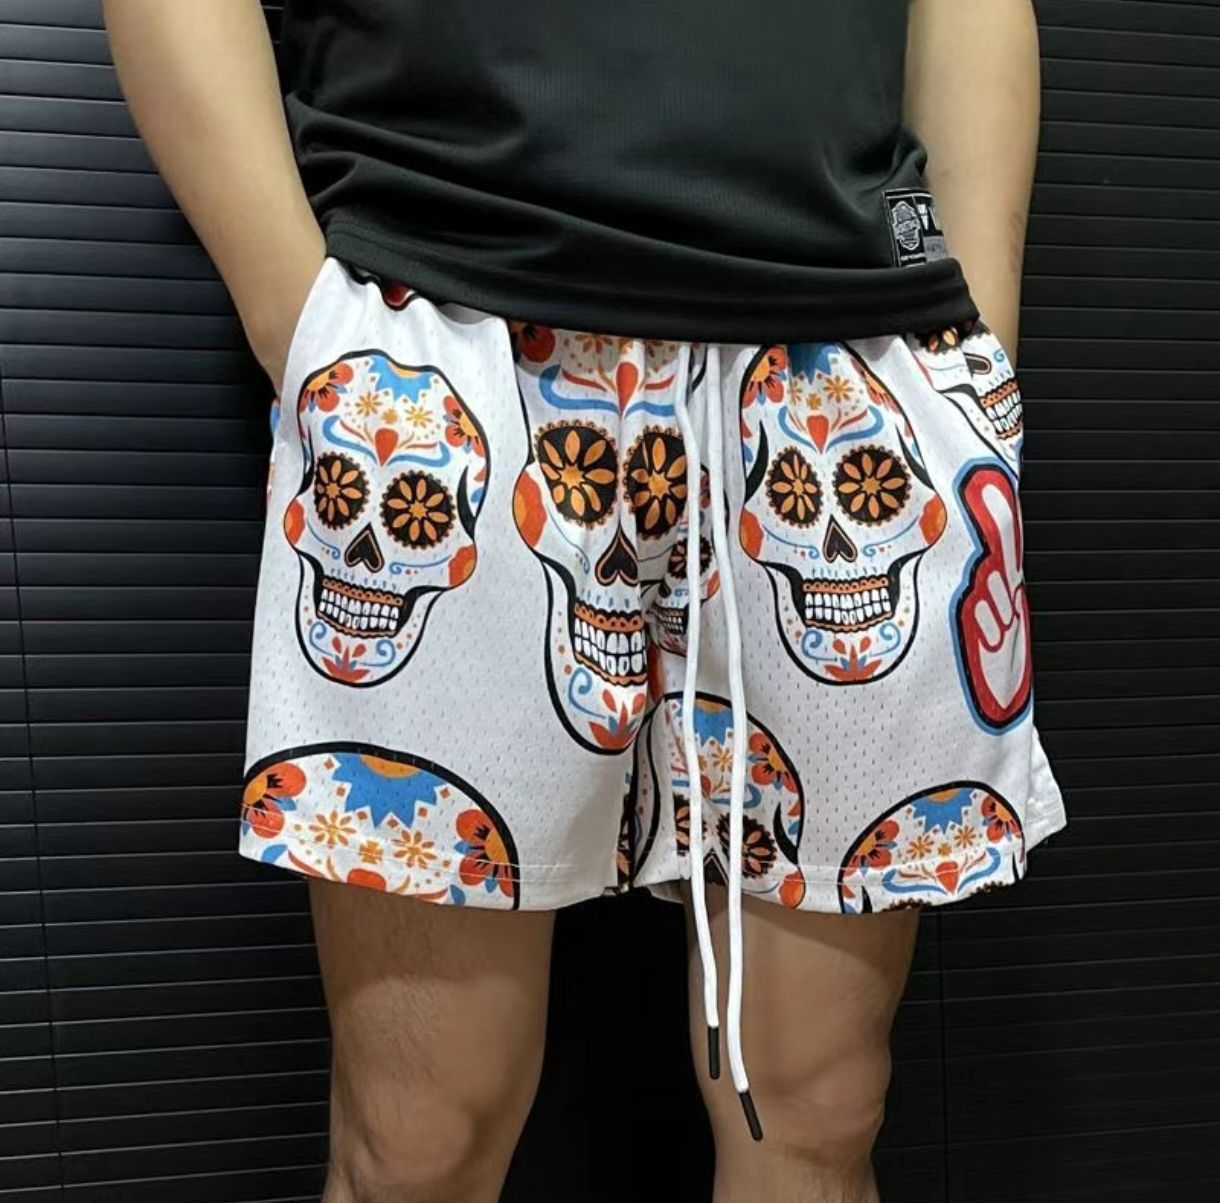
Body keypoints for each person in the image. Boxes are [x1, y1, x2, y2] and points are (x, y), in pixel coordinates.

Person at [103, 2, 1066, 1200]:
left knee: (818, 1110)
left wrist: (970, 372)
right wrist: (304, 333)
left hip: (844, 375)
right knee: (416, 1140)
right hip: (443, 343)